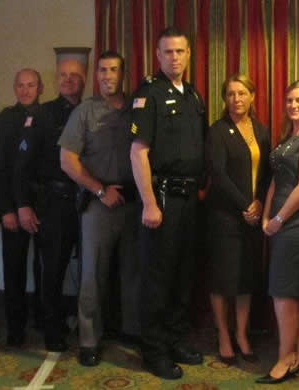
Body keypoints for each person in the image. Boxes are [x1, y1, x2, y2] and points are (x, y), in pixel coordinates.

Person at [129, 27, 207, 380]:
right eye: (168, 52)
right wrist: (148, 202)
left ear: (189, 54)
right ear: (157, 56)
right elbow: (138, 151)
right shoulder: (149, 94)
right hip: (161, 199)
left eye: (180, 51)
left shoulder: (192, 95)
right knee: (157, 278)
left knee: (181, 275)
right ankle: (154, 350)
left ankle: (175, 339)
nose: (175, 58)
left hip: (190, 200)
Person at [59, 51, 141, 366]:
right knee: (92, 274)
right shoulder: (85, 112)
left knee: (133, 273)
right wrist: (99, 189)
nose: (108, 75)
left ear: (123, 74)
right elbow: (67, 161)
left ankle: (130, 330)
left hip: (135, 202)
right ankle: (89, 339)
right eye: (103, 70)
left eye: (114, 70)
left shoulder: (138, 109)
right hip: (99, 203)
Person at [255, 79, 299, 385]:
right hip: (283, 218)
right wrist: (267, 214)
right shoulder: (290, 135)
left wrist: (280, 219)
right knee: (298, 288)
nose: (293, 106)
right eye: (289, 101)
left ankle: (286, 359)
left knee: (284, 291)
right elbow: (276, 180)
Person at [15, 58, 87, 352]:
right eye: (63, 75)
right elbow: (21, 166)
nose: (68, 80)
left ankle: (88, 326)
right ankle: (51, 329)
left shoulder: (91, 110)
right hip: (53, 203)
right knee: (53, 270)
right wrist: (23, 205)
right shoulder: (42, 114)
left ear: (84, 80)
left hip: (86, 201)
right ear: (55, 80)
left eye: (75, 76)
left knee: (89, 269)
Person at [205, 74, 271, 365]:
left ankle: (242, 334)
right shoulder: (217, 131)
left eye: (242, 93)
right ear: (225, 99)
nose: (237, 99)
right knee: (222, 280)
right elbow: (217, 174)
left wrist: (258, 206)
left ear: (252, 96)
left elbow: (268, 173)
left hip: (253, 218)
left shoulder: (261, 129)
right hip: (224, 217)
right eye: (231, 94)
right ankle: (223, 335)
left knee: (246, 279)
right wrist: (246, 204)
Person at [0, 68, 44, 347]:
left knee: (45, 267)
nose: (25, 90)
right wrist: (6, 210)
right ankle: (16, 328)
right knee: (14, 269)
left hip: (44, 204)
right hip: (12, 205)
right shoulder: (4, 119)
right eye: (20, 85)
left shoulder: (48, 116)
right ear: (14, 88)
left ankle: (44, 320)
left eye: (31, 85)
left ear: (40, 88)